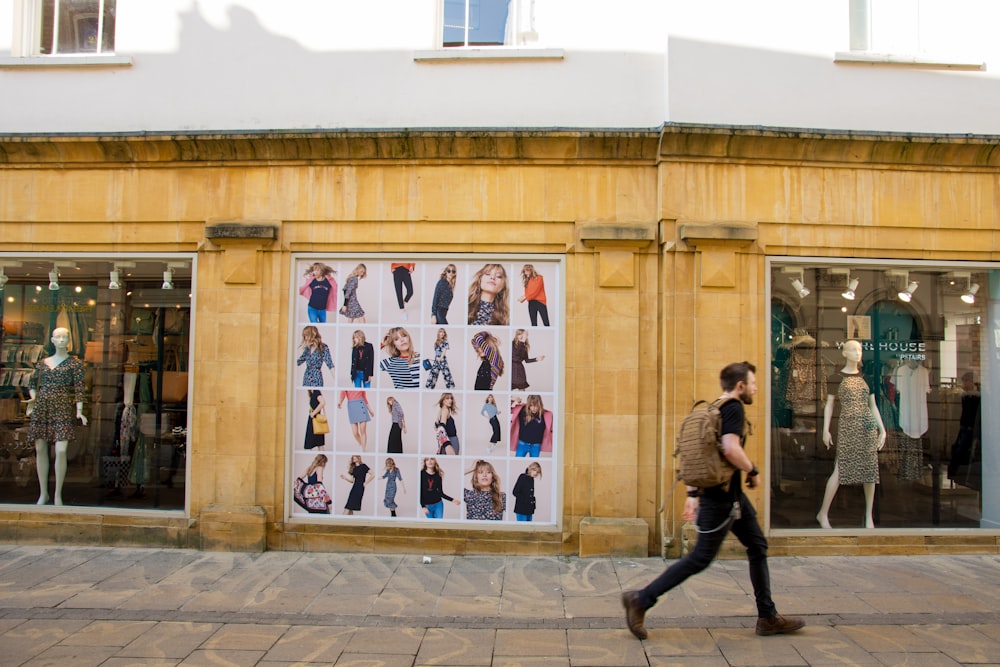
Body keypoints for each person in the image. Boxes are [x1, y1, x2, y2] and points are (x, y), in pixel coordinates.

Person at [622, 361, 804, 640]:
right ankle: (641, 598)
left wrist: (692, 494)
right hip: (721, 500)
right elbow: (730, 449)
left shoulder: (712, 407)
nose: (756, 388)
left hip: (730, 498)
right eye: (753, 383)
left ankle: (767, 616)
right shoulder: (732, 408)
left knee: (757, 545)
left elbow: (702, 453)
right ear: (740, 386)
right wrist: (752, 469)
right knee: (700, 558)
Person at [816, 340, 887, 529]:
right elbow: (829, 405)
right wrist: (825, 429)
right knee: (840, 469)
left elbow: (872, 406)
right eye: (853, 350)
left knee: (870, 471)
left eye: (860, 350)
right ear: (845, 353)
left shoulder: (868, 378)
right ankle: (823, 513)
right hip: (848, 424)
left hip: (867, 426)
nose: (858, 353)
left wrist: (882, 429)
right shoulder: (836, 377)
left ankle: (868, 516)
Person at [24, 327, 87, 506]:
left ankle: (58, 494)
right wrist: (33, 399)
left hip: (62, 408)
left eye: (64, 336)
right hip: (42, 407)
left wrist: (79, 411)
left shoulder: (75, 364)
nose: (61, 340)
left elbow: (79, 388)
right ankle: (43, 493)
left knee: (60, 450)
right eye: (57, 337)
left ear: (69, 340)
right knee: (41, 449)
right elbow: (32, 383)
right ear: (52, 340)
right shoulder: (43, 362)